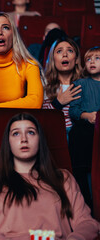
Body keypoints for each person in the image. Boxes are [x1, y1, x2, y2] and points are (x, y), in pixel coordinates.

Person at [0, 112, 100, 239]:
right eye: (16, 133)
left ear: (40, 140)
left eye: (31, 132)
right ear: (8, 142)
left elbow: (87, 223)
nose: (24, 139)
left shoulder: (63, 178)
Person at [68, 46, 100, 208]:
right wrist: (88, 116)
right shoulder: (80, 84)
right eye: (88, 59)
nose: (92, 62)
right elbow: (73, 110)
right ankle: (86, 202)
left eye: (97, 58)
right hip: (86, 130)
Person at [42, 37, 82, 136]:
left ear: (76, 59)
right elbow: (42, 117)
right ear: (53, 59)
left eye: (70, 50)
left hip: (78, 136)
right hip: (55, 133)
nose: (65, 54)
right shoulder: (46, 84)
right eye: (59, 51)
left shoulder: (84, 84)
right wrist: (58, 103)